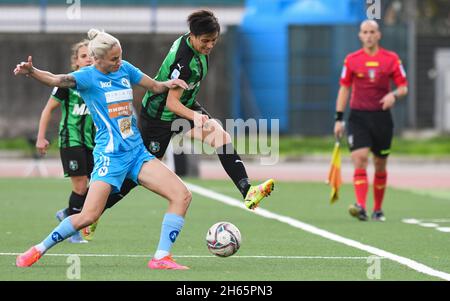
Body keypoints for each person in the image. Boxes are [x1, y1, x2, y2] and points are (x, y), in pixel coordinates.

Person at [14, 28, 192, 270]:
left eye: (120, 56)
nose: (120, 62)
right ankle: (38, 249)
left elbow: (154, 87)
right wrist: (32, 72)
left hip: (137, 154)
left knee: (182, 196)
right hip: (110, 157)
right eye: (114, 59)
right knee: (88, 216)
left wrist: (168, 84)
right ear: (97, 59)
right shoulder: (87, 77)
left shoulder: (125, 69)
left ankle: (161, 257)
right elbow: (57, 79)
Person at [139, 10, 274, 209]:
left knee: (220, 137)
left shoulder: (195, 46)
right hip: (158, 116)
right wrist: (195, 115)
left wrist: (193, 114)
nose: (210, 45)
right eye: (205, 40)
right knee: (142, 173)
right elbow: (171, 103)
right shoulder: (184, 63)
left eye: (214, 40)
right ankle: (94, 210)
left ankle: (247, 190)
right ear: (192, 36)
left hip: (184, 107)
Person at [35, 40, 134, 243]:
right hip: (71, 140)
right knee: (80, 186)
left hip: (96, 143)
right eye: (82, 56)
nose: (87, 58)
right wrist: (41, 137)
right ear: (75, 62)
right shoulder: (69, 85)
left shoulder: (99, 82)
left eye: (90, 54)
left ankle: (67, 213)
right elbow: (48, 109)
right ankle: (74, 231)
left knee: (98, 186)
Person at [334, 20, 408, 222]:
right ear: (360, 35)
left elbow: (403, 87)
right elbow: (344, 88)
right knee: (359, 159)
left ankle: (378, 209)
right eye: (365, 32)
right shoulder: (351, 60)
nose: (368, 35)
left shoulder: (391, 59)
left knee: (380, 164)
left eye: (372, 32)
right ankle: (361, 207)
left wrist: (393, 95)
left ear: (379, 35)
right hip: (358, 117)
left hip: (382, 118)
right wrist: (339, 118)